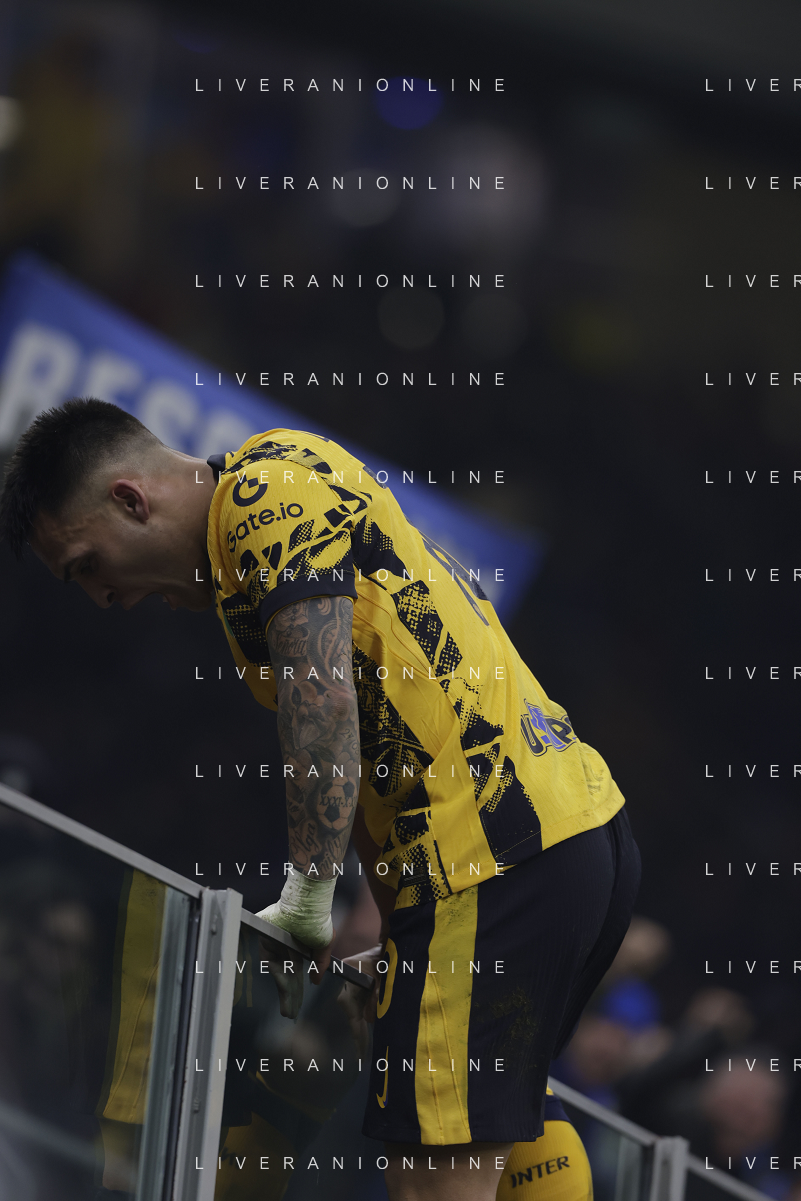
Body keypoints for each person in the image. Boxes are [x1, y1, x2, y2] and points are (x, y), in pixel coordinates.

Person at [0, 398, 641, 1201]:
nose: (102, 596)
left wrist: (307, 896)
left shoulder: (259, 498)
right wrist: (389, 928)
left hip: (488, 856)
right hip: (566, 838)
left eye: (87, 564)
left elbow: (323, 700)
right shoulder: (268, 515)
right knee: (512, 1124)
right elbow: (375, 742)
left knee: (432, 1184)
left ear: (131, 499)